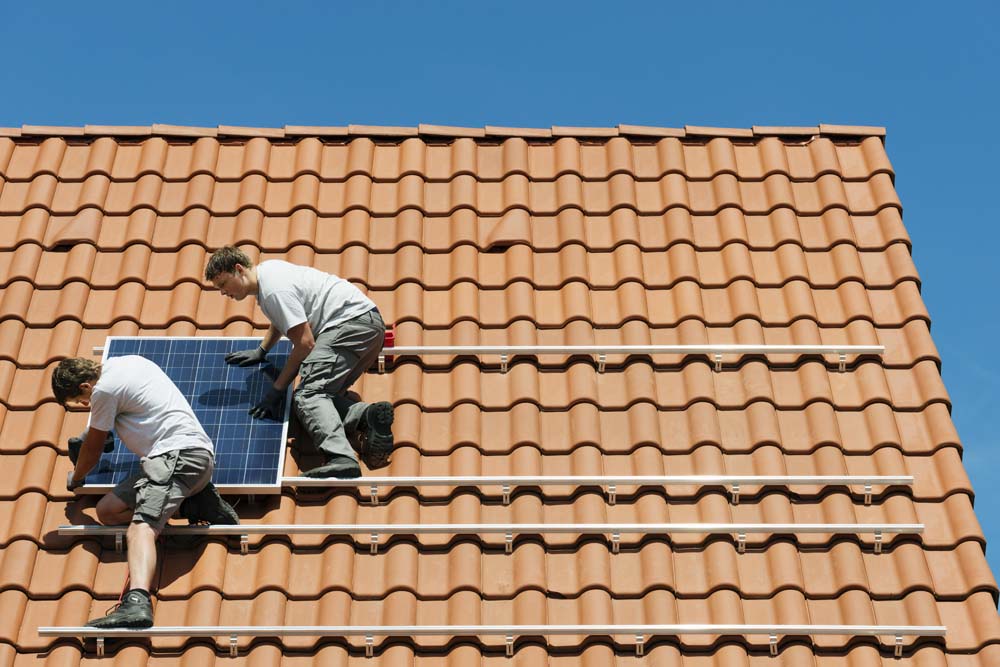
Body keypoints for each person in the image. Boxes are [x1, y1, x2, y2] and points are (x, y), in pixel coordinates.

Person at [52, 356, 240, 628]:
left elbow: (92, 449)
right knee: (108, 511)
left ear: (85, 385)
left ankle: (138, 602)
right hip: (179, 461)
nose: (86, 406)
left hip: (176, 458)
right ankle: (196, 505)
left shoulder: (103, 391)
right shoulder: (128, 362)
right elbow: (116, 414)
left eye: (81, 400)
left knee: (141, 528)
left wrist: (77, 476)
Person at [204, 246, 393, 479]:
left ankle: (340, 458)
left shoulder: (273, 291)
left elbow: (305, 344)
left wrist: (277, 390)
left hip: (347, 325)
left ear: (238, 269)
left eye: (223, 284)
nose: (223, 293)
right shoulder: (269, 273)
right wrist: (262, 350)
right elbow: (283, 317)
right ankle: (367, 415)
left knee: (307, 397)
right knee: (323, 399)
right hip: (370, 328)